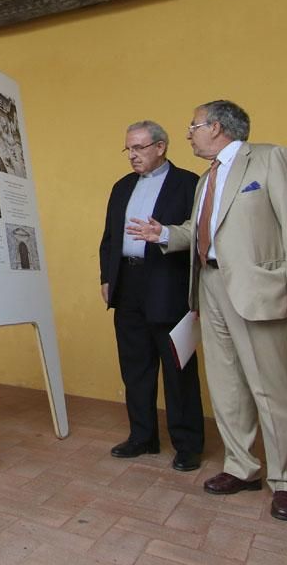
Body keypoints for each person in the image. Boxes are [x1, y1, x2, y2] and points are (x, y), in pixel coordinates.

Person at [128, 100, 287, 521]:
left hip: (259, 290)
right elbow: (203, 233)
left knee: (273, 389)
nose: (188, 133)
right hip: (210, 287)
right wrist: (164, 233)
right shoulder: (206, 179)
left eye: (193, 126)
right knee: (226, 386)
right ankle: (242, 467)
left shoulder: (272, 159)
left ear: (216, 127)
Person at [99, 121, 203, 472]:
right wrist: (106, 278)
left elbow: (200, 237)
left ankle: (187, 444)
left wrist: (161, 236)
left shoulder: (189, 183)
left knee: (178, 368)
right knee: (135, 367)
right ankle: (142, 437)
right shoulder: (122, 186)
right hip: (127, 283)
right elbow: (110, 238)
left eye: (140, 148)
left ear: (161, 147)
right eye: (129, 148)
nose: (133, 155)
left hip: (168, 283)